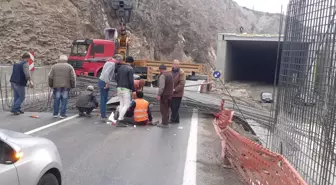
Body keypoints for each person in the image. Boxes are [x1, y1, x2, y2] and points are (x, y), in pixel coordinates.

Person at [98, 54, 122, 122]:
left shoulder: (108, 62)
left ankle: (103, 114)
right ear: (118, 59)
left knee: (103, 98)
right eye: (120, 60)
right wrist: (107, 83)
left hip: (101, 80)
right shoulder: (112, 64)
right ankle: (103, 115)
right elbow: (106, 73)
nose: (119, 62)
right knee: (104, 99)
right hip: (104, 81)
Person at [114, 56, 135, 127]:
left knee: (121, 104)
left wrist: (119, 84)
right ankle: (120, 120)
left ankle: (121, 118)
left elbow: (116, 77)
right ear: (131, 62)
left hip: (119, 88)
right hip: (126, 89)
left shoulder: (120, 68)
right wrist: (133, 89)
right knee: (127, 105)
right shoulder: (130, 69)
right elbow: (131, 81)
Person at [170, 59, 185, 124]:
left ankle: (172, 119)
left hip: (178, 93)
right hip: (171, 92)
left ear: (178, 65)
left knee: (175, 107)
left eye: (177, 64)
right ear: (172, 64)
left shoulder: (181, 72)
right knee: (172, 106)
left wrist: (175, 89)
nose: (175, 65)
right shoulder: (171, 71)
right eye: (174, 64)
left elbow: (182, 83)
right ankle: (176, 119)